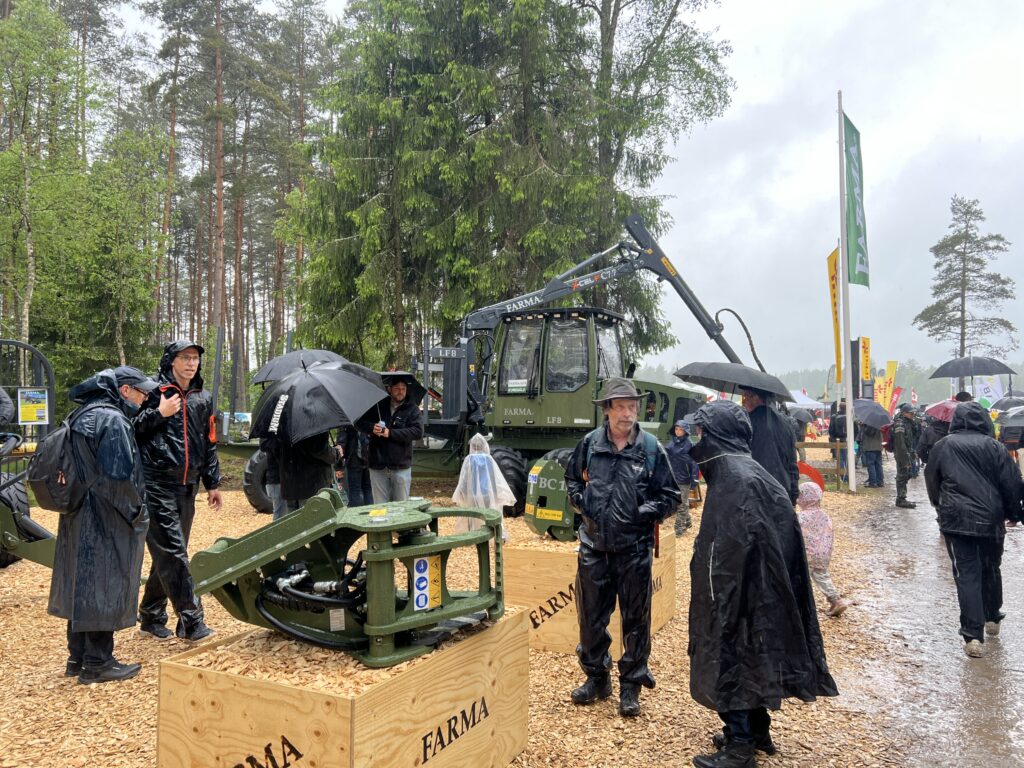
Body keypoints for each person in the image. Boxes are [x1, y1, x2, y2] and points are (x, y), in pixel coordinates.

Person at [688, 400, 838, 767]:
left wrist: (720, 595)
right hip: (758, 590)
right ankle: (756, 731)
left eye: (702, 433)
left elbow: (731, 550)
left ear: (717, 436)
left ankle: (740, 746)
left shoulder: (736, 479)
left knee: (733, 656)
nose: (697, 440)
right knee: (749, 654)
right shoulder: (745, 471)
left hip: (741, 592)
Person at [565, 377, 680, 718]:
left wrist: (641, 513)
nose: (628, 413)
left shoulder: (651, 448)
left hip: (634, 550)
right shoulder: (589, 444)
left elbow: (671, 496)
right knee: (590, 618)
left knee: (636, 620)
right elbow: (572, 479)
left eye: (632, 407)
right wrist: (583, 503)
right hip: (594, 547)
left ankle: (631, 684)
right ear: (607, 410)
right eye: (621, 407)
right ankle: (597, 678)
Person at [47, 367, 155, 684]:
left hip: (78, 512)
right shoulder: (112, 420)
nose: (145, 397)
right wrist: (137, 513)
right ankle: (98, 662)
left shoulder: (81, 414)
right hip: (105, 516)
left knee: (81, 582)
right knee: (104, 584)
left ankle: (77, 658)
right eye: (141, 391)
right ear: (124, 390)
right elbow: (118, 478)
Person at [133, 340, 222, 642]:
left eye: (195, 358)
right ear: (172, 361)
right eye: (185, 357)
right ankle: (191, 621)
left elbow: (209, 442)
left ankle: (150, 614)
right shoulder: (152, 392)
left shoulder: (202, 398)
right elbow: (130, 429)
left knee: (171, 552)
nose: (191, 363)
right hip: (156, 484)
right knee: (173, 551)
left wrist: (213, 483)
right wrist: (159, 412)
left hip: (188, 485)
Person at [924, 401, 1022, 658]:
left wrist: (940, 505)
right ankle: (992, 616)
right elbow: (1012, 483)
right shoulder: (995, 447)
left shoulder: (943, 446)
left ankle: (972, 635)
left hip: (956, 520)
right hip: (991, 519)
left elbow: (932, 479)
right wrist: (1014, 513)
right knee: (991, 568)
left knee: (966, 574)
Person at [358, 373, 424, 502]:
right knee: (380, 506)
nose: (400, 391)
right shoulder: (378, 406)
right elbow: (359, 423)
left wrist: (390, 433)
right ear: (389, 389)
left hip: (400, 466)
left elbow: (417, 432)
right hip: (377, 465)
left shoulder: (412, 409)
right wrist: (372, 428)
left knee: (401, 507)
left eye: (403, 388)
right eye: (397, 388)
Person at [796, 482, 851, 617]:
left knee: (800, 579)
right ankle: (836, 600)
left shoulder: (800, 517)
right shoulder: (824, 516)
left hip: (806, 554)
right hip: (822, 553)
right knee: (822, 576)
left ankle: (799, 606)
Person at [739, 387, 799, 504]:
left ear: (756, 397)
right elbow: (792, 461)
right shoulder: (786, 424)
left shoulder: (746, 422)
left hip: (755, 490)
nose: (743, 401)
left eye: (746, 396)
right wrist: (794, 493)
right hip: (782, 489)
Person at [451, 433, 513, 540]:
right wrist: (496, 493)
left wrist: (461, 492)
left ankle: (474, 535)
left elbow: (464, 478)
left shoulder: (469, 459)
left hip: (472, 494)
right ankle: (499, 535)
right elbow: (494, 477)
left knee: (472, 515)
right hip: (487, 493)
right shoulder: (488, 459)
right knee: (491, 514)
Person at [276, 431, 342, 517]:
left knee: (295, 522)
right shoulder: (314, 425)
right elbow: (320, 449)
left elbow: (274, 450)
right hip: (312, 485)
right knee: (315, 522)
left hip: (289, 484)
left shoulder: (281, 426)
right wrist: (337, 453)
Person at [665, 419, 698, 535]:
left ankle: (678, 529)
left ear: (686, 431)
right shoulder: (671, 443)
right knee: (679, 502)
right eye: (676, 429)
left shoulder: (690, 445)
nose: (678, 431)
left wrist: (694, 479)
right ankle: (687, 521)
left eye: (681, 429)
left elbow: (694, 463)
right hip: (673, 478)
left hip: (684, 479)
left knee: (682, 504)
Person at [337, 425, 373, 507]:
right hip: (368, 459)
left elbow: (341, 446)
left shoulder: (344, 422)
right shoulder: (366, 420)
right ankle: (370, 512)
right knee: (368, 488)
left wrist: (339, 466)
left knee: (355, 490)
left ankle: (356, 513)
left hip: (353, 460)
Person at [892, 403, 917, 508]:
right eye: (910, 413)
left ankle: (902, 497)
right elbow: (900, 443)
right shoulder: (900, 424)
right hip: (902, 453)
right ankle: (900, 499)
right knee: (902, 475)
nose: (912, 415)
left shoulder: (908, 422)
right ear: (904, 413)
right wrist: (905, 459)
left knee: (907, 474)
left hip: (907, 452)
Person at [259, 435, 286, 519]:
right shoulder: (275, 444)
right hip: (277, 481)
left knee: (280, 512)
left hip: (273, 481)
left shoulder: (268, 443)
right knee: (279, 514)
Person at [828, 400, 849, 483]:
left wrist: (832, 438)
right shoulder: (848, 416)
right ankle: (847, 477)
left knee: (840, 459)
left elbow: (831, 429)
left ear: (839, 407)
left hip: (836, 440)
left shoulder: (834, 416)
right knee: (846, 458)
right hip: (846, 440)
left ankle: (842, 476)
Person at [859, 423, 884, 487]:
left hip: (870, 447)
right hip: (878, 447)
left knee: (871, 465)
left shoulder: (870, 424)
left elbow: (869, 433)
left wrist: (863, 426)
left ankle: (873, 483)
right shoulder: (880, 423)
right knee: (878, 465)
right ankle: (880, 482)